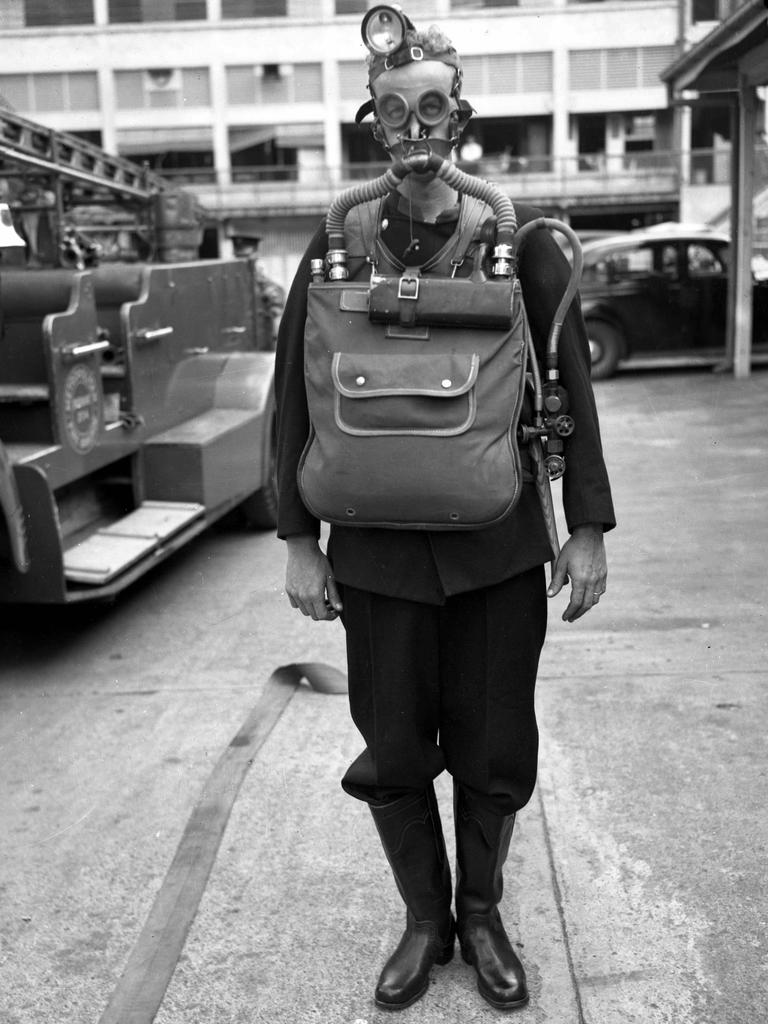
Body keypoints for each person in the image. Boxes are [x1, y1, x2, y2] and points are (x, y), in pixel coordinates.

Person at [275, 10, 615, 1013]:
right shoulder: (336, 239)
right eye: (394, 110)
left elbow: (570, 385)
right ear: (371, 126)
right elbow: (293, 395)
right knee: (391, 740)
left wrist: (586, 523)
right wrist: (298, 540)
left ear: (459, 117)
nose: (415, 129)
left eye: (432, 107)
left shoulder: (519, 238)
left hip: (500, 545)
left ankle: (481, 913)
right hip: (374, 554)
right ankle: (423, 917)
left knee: (496, 739)